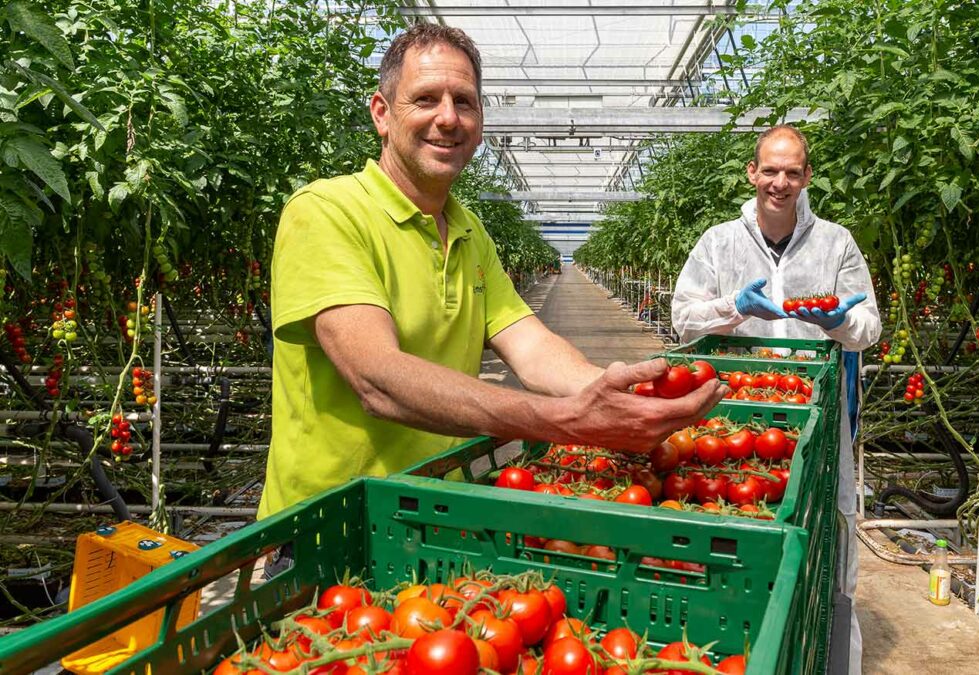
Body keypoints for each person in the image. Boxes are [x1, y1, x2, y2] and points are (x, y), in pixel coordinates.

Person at [258, 24, 724, 527]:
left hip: (440, 512)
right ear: (382, 114)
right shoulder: (326, 212)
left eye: (465, 101)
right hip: (331, 528)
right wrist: (567, 420)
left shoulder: (468, 229)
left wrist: (616, 392)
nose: (448, 118)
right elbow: (377, 379)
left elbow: (528, 343)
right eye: (425, 99)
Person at [671, 125, 881, 674]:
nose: (780, 183)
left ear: (807, 176)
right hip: (734, 418)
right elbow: (682, 319)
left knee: (825, 538)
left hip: (814, 413)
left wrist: (840, 322)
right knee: (737, 523)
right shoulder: (719, 242)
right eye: (770, 170)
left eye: (792, 172)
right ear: (752, 172)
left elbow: (869, 326)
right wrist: (732, 308)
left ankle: (829, 660)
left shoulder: (836, 242)